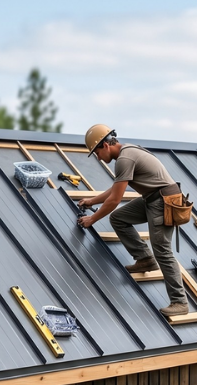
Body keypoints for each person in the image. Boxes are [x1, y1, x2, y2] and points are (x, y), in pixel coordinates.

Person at [76, 124, 189, 317]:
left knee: (162, 251)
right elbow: (115, 190)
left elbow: (114, 200)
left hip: (163, 202)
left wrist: (92, 219)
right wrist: (92, 201)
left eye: (96, 152)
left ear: (105, 145)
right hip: (152, 198)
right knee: (119, 217)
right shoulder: (126, 152)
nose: (98, 158)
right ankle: (144, 260)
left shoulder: (124, 159)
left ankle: (180, 302)